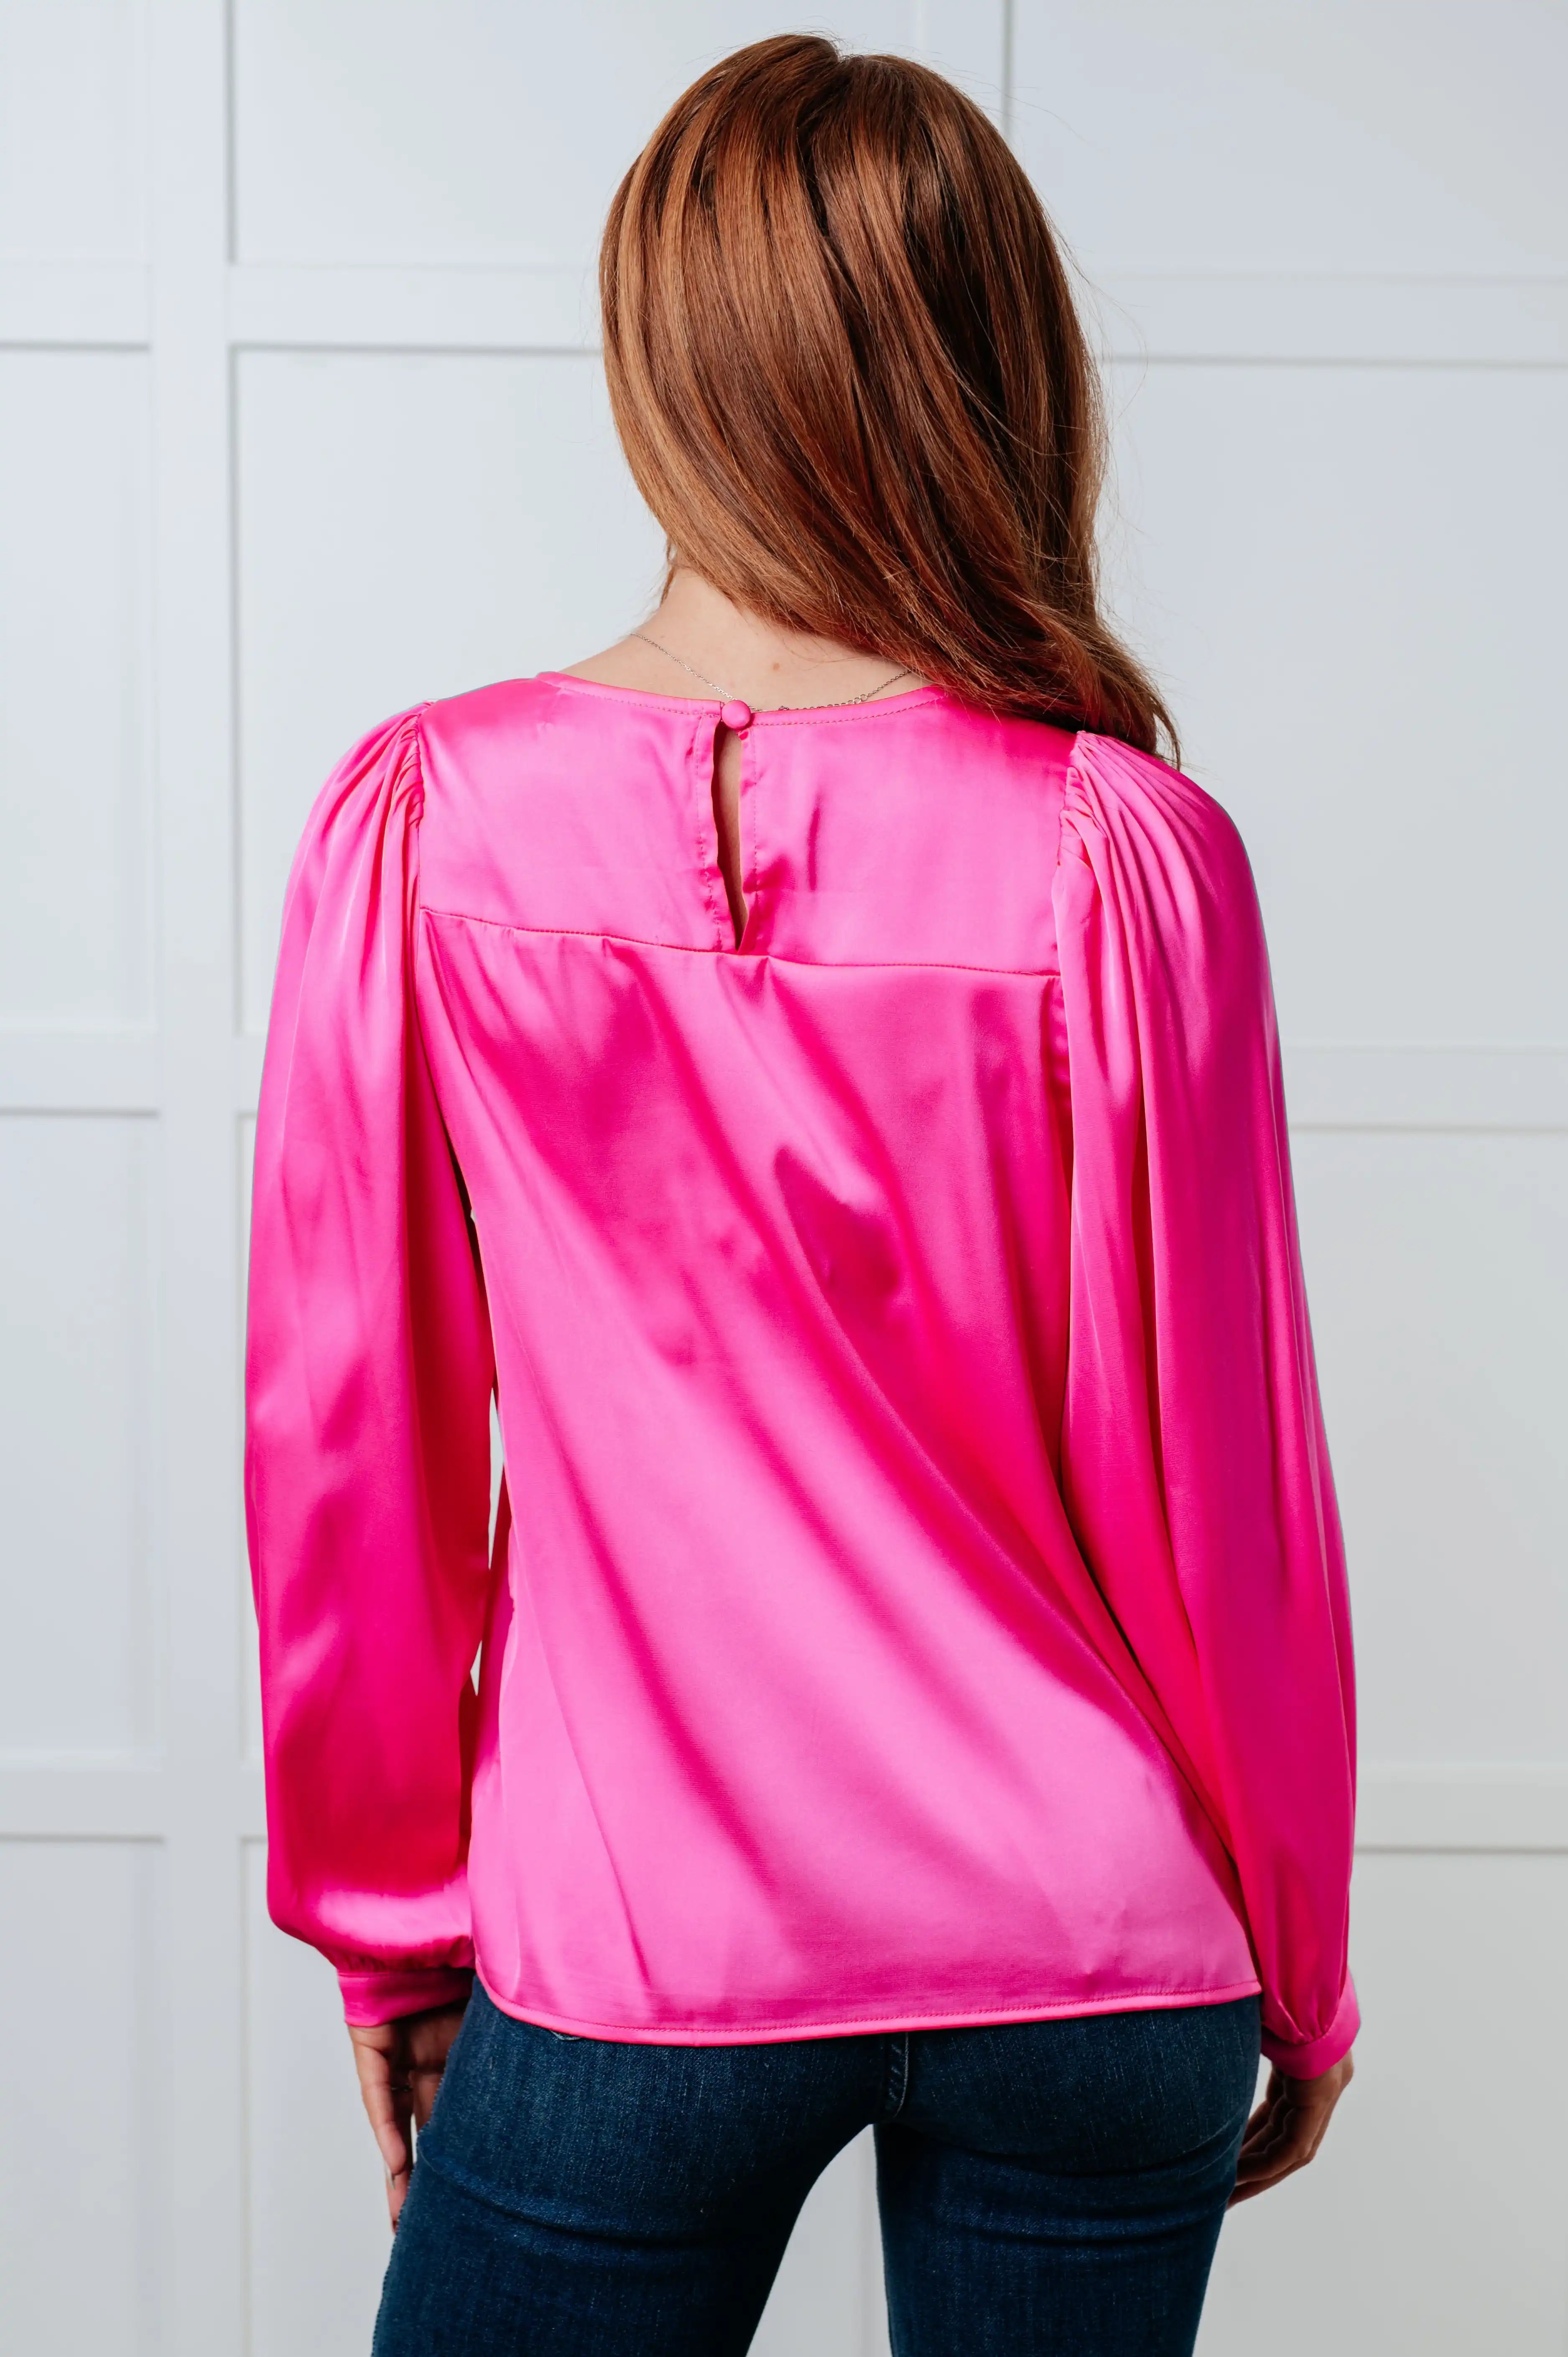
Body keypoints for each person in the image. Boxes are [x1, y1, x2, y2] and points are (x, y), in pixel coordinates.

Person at [244, 34, 1357, 2357]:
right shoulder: (1120, 855)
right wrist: (1299, 1953)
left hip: (642, 1948)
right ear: (995, 368)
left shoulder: (431, 825)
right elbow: (1227, 1491)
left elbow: (356, 1447)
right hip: (1096, 1935)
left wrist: (386, 1925)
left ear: (657, 351)